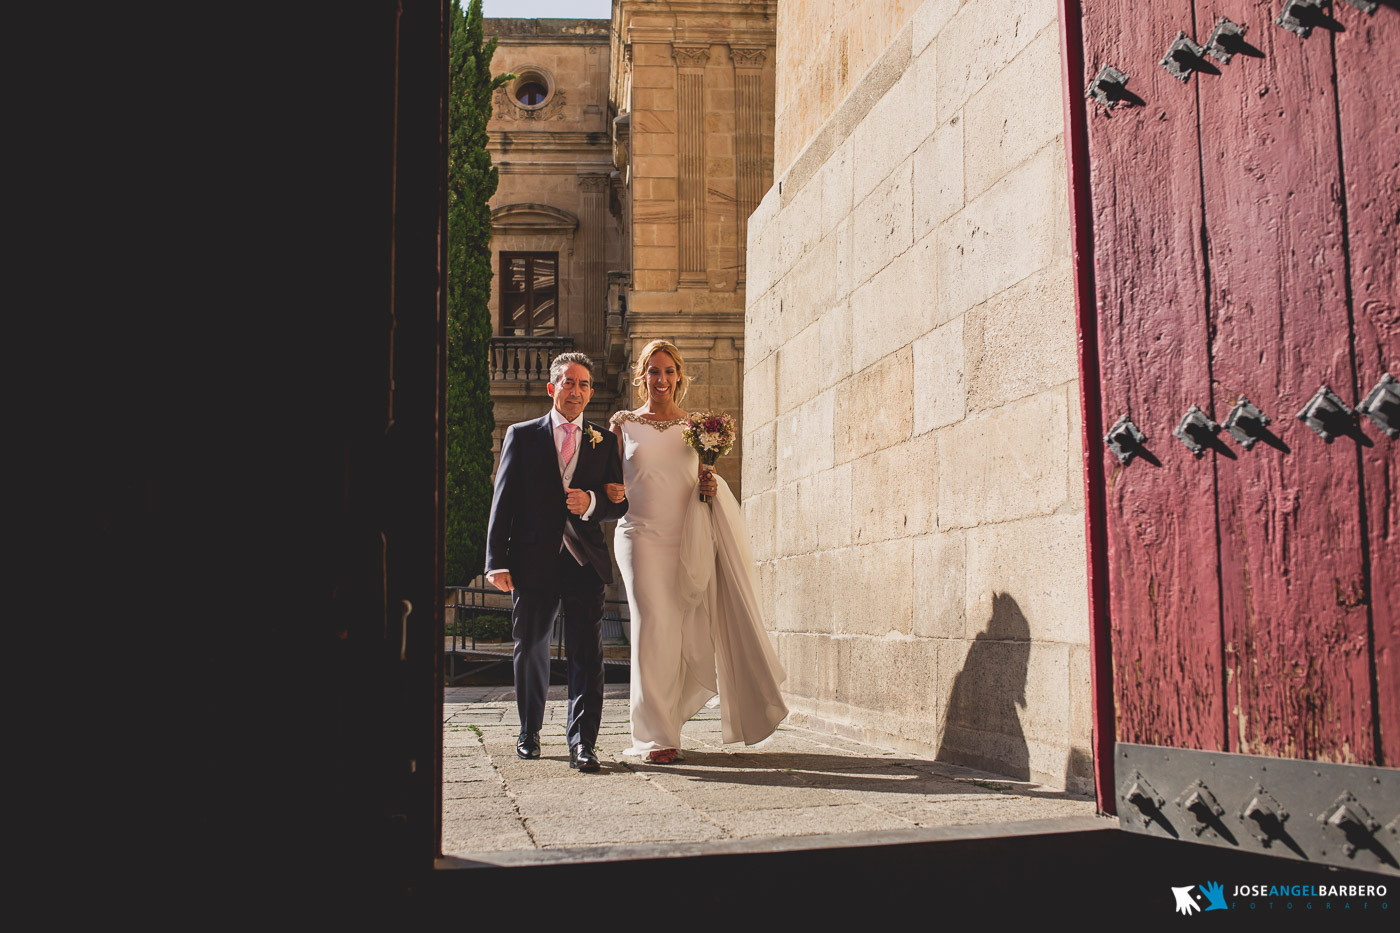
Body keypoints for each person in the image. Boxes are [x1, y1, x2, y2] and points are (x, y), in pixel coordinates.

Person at [607, 339, 788, 764]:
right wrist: (609, 491)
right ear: (642, 376)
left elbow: (704, 479)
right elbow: (609, 481)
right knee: (653, 624)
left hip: (686, 537)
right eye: (654, 371)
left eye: (669, 371)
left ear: (680, 377)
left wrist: (710, 485)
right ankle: (655, 737)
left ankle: (668, 721)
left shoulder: (698, 427)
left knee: (680, 628)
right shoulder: (623, 423)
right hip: (638, 535)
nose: (662, 379)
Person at [484, 352, 627, 772]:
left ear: (591, 392)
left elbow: (619, 504)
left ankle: (583, 742)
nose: (576, 391)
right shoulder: (522, 435)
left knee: (588, 655)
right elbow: (503, 501)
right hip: (533, 562)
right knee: (530, 647)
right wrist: (496, 561)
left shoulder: (604, 440)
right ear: (552, 388)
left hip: (585, 564)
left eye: (584, 384)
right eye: (568, 382)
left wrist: (593, 502)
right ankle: (529, 732)